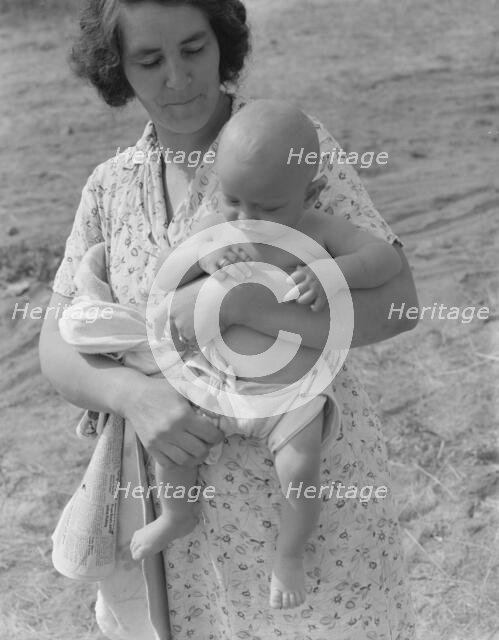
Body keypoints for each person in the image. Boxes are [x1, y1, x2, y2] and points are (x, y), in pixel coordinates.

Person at [39, 0, 419, 638]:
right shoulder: (109, 188)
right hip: (185, 540)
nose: (178, 78)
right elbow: (56, 343)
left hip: (309, 518)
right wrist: (132, 396)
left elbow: (400, 304)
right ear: (117, 70)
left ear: (223, 43)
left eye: (193, 49)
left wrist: (240, 305)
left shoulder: (290, 145)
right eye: (149, 60)